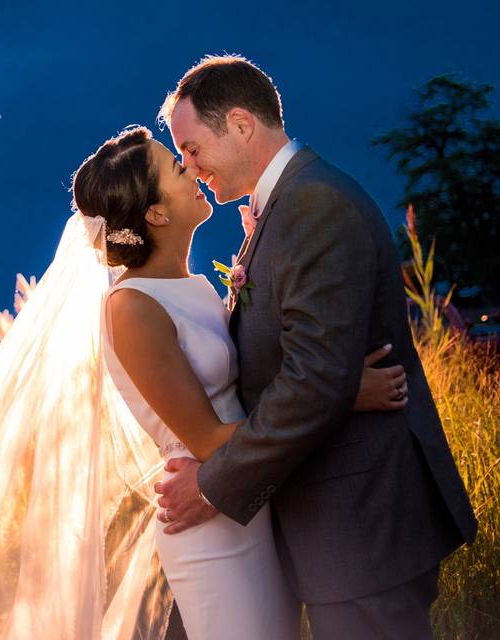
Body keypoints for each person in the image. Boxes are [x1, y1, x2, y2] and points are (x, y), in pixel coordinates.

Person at [153, 55, 478, 639]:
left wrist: (212, 484)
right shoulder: (286, 206)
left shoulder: (313, 205)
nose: (190, 166)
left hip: (361, 525)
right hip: (334, 528)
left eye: (194, 148)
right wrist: (344, 392)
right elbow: (304, 373)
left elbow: (313, 381)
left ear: (242, 124)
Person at [74, 124, 407, 639]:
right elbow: (206, 438)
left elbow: (246, 390)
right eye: (175, 166)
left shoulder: (197, 287)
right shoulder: (131, 307)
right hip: (209, 530)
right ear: (156, 214)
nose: (191, 168)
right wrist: (342, 394)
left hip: (250, 504)